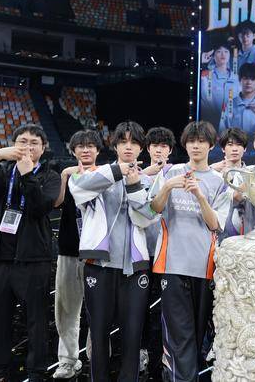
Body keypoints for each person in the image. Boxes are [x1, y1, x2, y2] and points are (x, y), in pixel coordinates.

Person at [0, 123, 61, 382]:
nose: (28, 147)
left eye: (34, 143)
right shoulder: (2, 173)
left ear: (43, 148)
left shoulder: (50, 176)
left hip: (33, 261)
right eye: (22, 142)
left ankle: (36, 372)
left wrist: (28, 175)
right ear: (14, 145)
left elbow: (40, 207)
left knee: (37, 322)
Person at [69, 121, 159, 381]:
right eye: (123, 142)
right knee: (98, 334)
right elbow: (78, 190)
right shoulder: (95, 174)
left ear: (141, 148)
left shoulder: (148, 181)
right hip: (99, 266)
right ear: (115, 145)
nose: (128, 147)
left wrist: (134, 185)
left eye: (134, 142)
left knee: (132, 335)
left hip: (136, 268)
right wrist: (117, 172)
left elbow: (147, 218)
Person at [149, 121, 231, 382]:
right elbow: (154, 208)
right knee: (178, 335)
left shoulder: (219, 182)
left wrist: (200, 196)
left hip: (204, 267)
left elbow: (215, 224)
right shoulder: (170, 172)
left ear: (211, 145)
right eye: (192, 141)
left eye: (202, 141)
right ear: (185, 145)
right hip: (171, 264)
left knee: (197, 336)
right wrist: (166, 187)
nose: (196, 145)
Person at [52, 130, 102, 379]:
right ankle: (68, 360)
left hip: (98, 253)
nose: (86, 150)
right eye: (80, 146)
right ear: (73, 151)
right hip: (69, 251)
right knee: (67, 310)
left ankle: (97, 358)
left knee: (99, 311)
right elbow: (56, 203)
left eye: (91, 146)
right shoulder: (66, 174)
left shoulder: (105, 176)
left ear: (98, 151)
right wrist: (64, 176)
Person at [139, 126, 176, 373]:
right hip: (142, 250)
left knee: (168, 305)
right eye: (155, 146)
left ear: (170, 150)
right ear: (148, 149)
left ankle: (167, 351)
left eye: (164, 146)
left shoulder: (177, 173)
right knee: (140, 305)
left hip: (166, 251)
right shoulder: (138, 174)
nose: (159, 150)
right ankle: (142, 350)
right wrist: (144, 174)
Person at [218, 62, 255, 138]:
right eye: (245, 78)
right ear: (240, 80)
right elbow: (222, 130)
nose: (249, 82)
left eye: (253, 79)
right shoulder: (230, 104)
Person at [200, 42, 239, 125]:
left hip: (231, 126)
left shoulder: (237, 79)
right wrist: (200, 60)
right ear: (213, 56)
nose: (223, 54)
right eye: (219, 51)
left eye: (226, 51)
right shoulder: (205, 76)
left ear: (230, 55)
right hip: (210, 125)